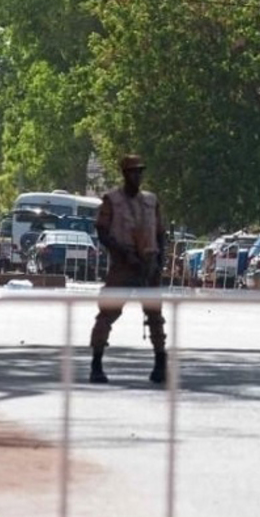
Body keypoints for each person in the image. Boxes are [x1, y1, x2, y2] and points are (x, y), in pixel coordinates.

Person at [88, 154, 169, 384]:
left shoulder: (151, 201)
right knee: (107, 313)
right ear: (124, 174)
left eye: (140, 172)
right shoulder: (112, 200)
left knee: (155, 316)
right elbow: (103, 232)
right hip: (123, 265)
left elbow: (160, 233)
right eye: (133, 172)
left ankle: (160, 363)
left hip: (148, 264)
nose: (137, 176)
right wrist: (123, 253)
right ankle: (96, 364)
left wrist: (159, 261)